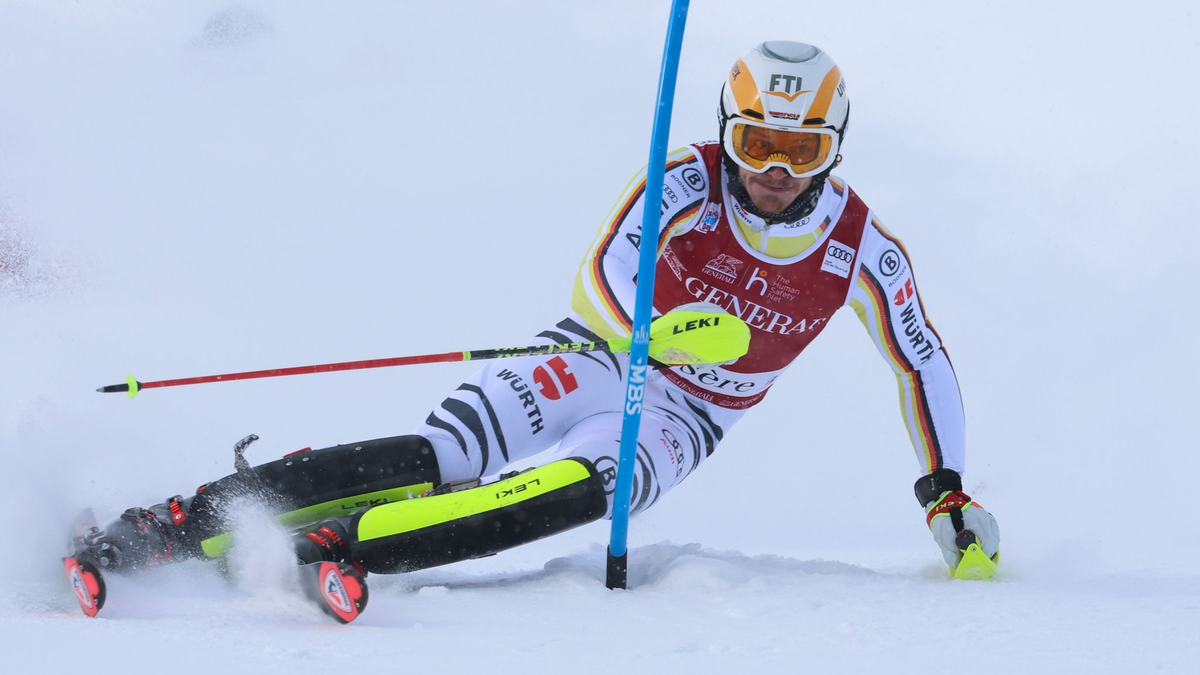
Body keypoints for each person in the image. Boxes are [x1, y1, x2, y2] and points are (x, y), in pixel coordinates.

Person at [79, 40, 999, 584]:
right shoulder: (686, 177)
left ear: (832, 150)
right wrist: (640, 331)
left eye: (800, 151)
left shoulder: (860, 246)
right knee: (441, 455)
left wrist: (945, 487)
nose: (773, 170)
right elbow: (601, 270)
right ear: (729, 128)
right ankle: (176, 519)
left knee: (578, 491)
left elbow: (921, 363)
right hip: (601, 351)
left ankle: (343, 550)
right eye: (757, 142)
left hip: (691, 414)